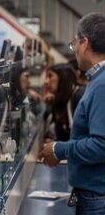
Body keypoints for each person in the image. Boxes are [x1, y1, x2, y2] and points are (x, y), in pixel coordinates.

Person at [40, 12, 105, 214]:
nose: (74, 49)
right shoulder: (96, 80)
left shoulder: (102, 84)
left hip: (97, 196)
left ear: (85, 43)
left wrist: (59, 149)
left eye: (74, 43)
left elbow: (101, 144)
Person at [44, 63, 85, 142]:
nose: (46, 81)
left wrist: (57, 147)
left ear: (63, 78)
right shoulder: (65, 99)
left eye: (50, 76)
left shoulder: (79, 97)